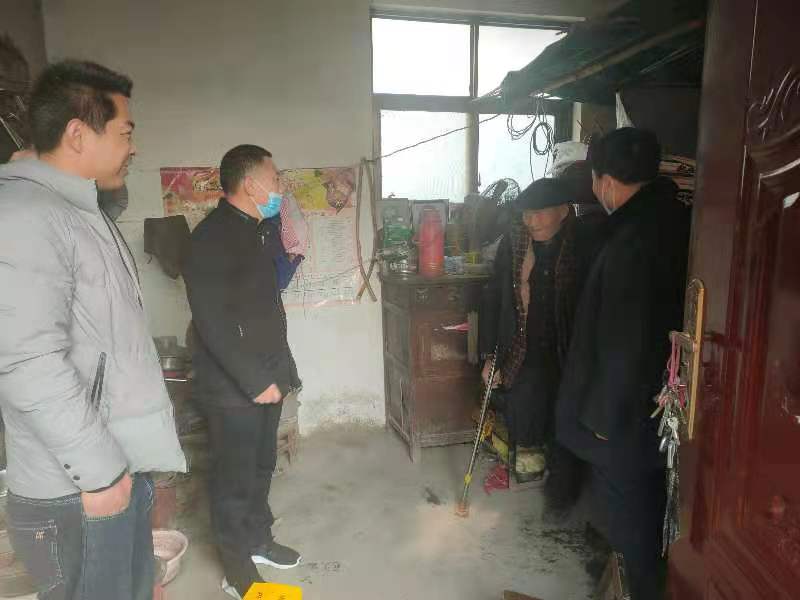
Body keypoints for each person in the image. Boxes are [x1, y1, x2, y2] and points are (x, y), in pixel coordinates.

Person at [0, 60, 186, 600]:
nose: (133, 147)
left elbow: (105, 198)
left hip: (115, 471)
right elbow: (25, 360)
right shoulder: (24, 216)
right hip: (79, 488)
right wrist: (102, 473)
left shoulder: (77, 208)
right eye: (125, 133)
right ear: (78, 135)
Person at [556, 128, 691, 600]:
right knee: (656, 508)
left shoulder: (628, 242)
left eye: (595, 181)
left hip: (628, 414)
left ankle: (639, 588)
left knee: (632, 520)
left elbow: (622, 342)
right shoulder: (678, 221)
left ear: (606, 183)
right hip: (667, 400)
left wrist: (601, 419)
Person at [182, 144, 302, 599]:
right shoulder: (210, 239)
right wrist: (254, 381)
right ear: (250, 185)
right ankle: (237, 574)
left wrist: (281, 375)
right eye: (275, 179)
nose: (280, 186)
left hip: (268, 377)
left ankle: (257, 540)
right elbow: (212, 323)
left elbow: (264, 311)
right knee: (233, 479)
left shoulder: (257, 231)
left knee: (261, 467)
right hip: (234, 388)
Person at [480, 178, 604, 495]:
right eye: (526, 214)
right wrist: (489, 355)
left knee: (566, 411)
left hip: (569, 348)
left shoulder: (584, 242)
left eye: (539, 213)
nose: (531, 221)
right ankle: (529, 472)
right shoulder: (514, 244)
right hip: (524, 345)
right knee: (525, 405)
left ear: (563, 211)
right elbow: (494, 299)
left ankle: (566, 476)